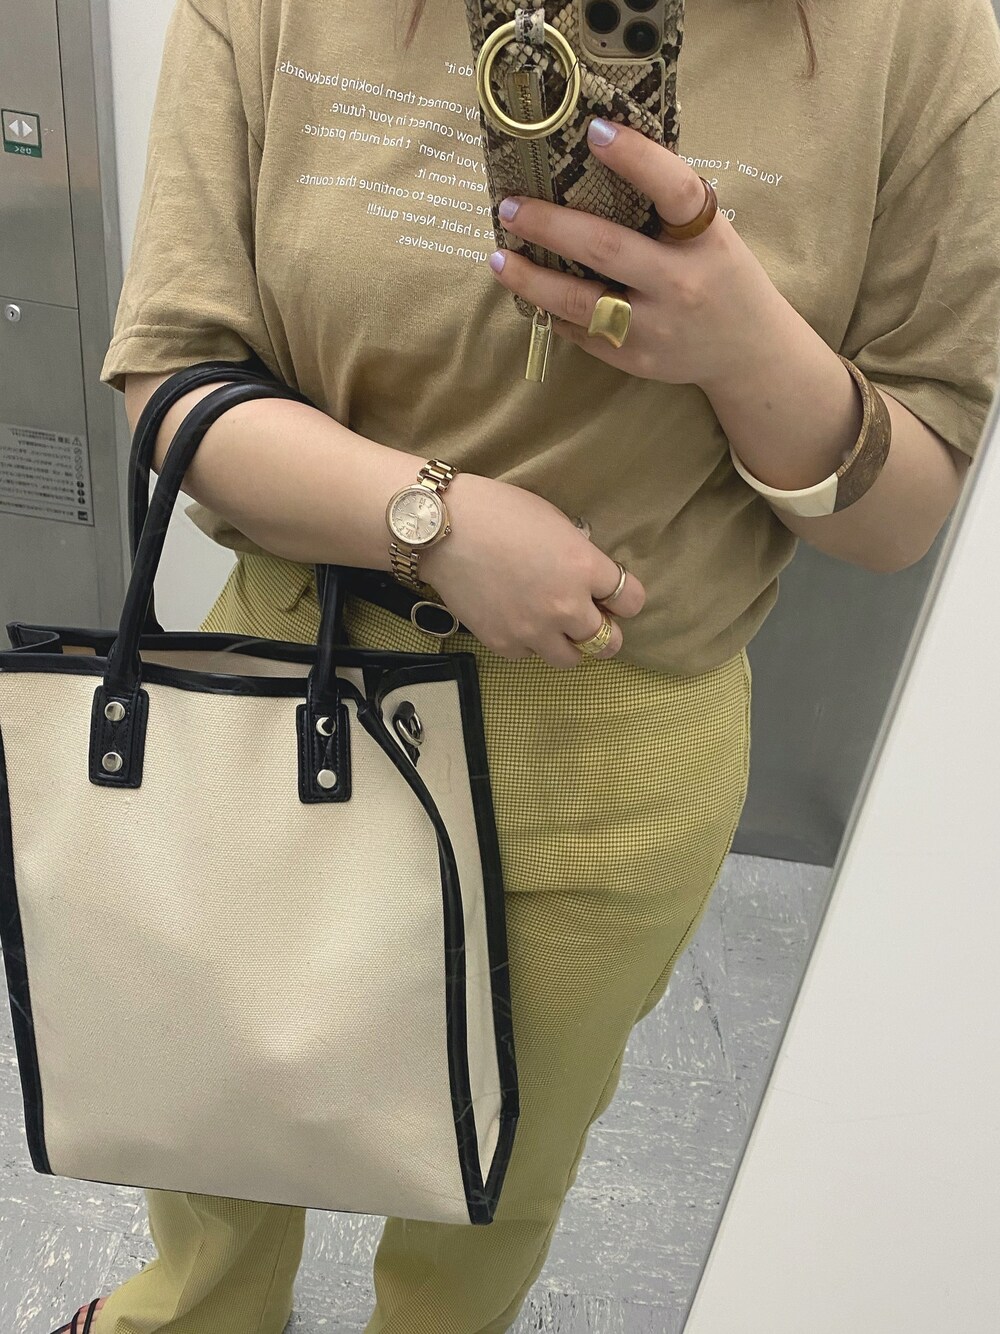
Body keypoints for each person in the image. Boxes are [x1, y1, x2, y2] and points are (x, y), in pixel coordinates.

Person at [53, 0, 1000, 1330]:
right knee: (217, 1112)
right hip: (290, 670)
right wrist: (431, 522)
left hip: (616, 743)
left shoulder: (920, 38)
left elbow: (900, 520)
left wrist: (746, 347)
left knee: (500, 1172)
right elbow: (172, 369)